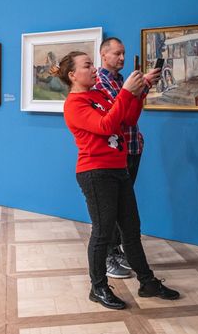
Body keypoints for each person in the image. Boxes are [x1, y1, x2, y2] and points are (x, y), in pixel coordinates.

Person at [53, 51, 179, 310]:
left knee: (131, 230)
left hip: (118, 168)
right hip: (95, 173)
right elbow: (106, 126)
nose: (94, 69)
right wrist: (125, 92)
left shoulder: (99, 95)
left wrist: (138, 93)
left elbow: (127, 119)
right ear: (73, 75)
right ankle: (97, 287)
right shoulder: (74, 104)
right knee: (103, 232)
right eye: (88, 65)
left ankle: (147, 282)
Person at [94, 37, 160, 279]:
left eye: (123, 53)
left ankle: (118, 250)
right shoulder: (99, 82)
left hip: (133, 147)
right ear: (104, 55)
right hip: (116, 151)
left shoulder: (122, 80)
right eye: (117, 53)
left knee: (123, 206)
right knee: (110, 208)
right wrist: (139, 87)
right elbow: (118, 116)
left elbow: (131, 113)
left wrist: (143, 86)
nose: (122, 57)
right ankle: (108, 255)